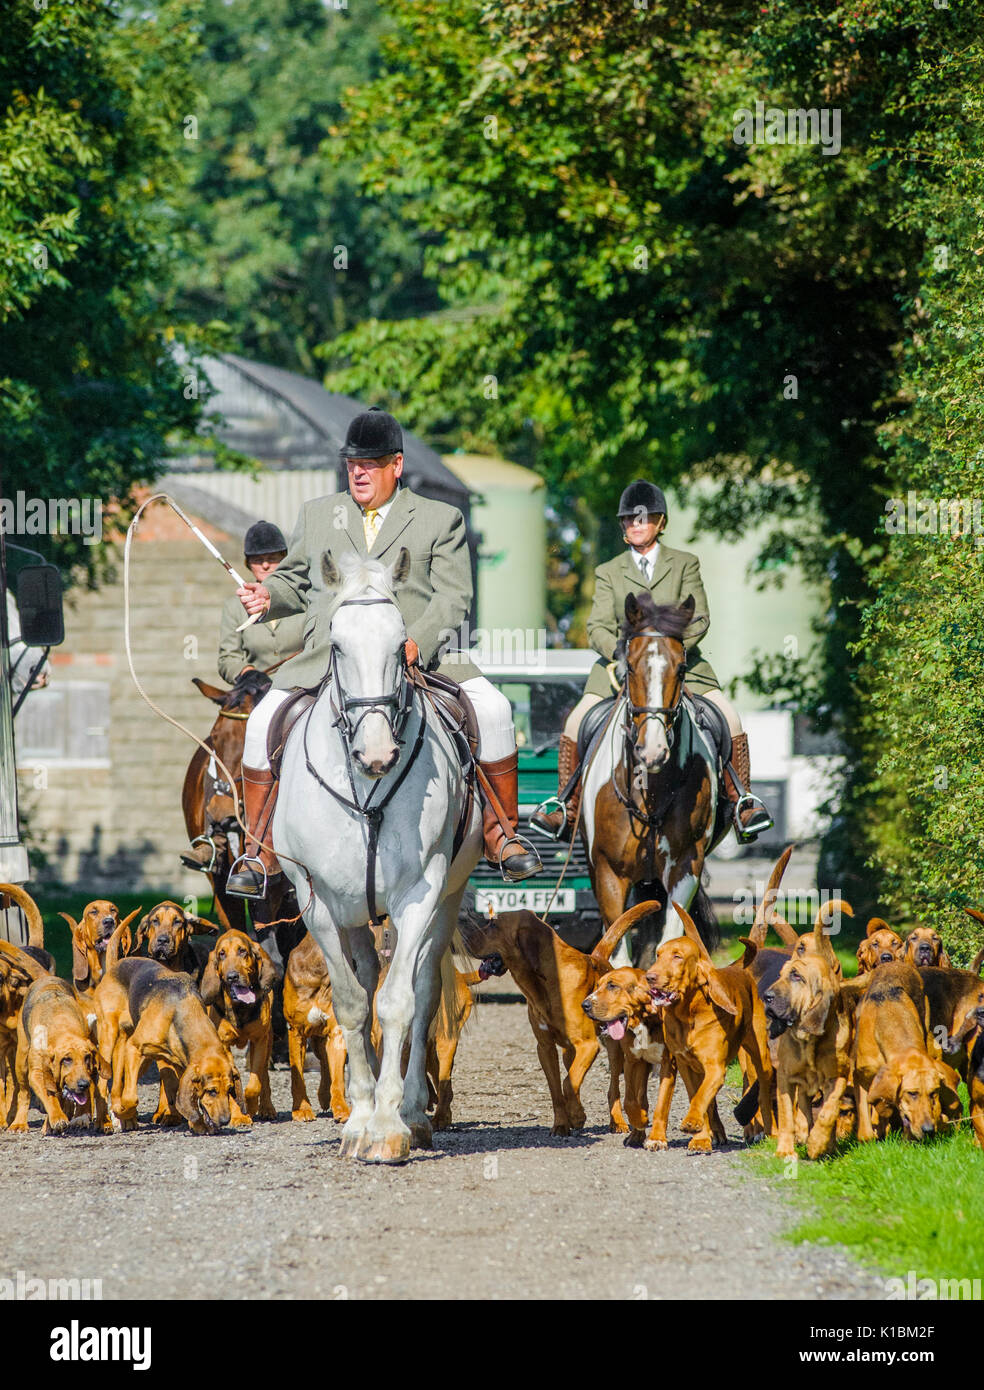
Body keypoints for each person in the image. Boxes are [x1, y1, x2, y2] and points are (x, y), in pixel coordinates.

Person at [225, 406, 543, 898]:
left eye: (370, 463)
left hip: (424, 654)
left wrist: (418, 640)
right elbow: (292, 578)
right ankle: (260, 848)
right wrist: (270, 597)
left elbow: (454, 596)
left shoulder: (441, 518)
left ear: (396, 465)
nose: (358, 471)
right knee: (262, 724)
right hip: (333, 657)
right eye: (352, 462)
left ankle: (502, 833)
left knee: (496, 710)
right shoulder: (317, 514)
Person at [532, 479, 773, 842]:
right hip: (620, 668)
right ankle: (565, 807)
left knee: (731, 717)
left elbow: (701, 617)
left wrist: (670, 650)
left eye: (642, 520)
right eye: (628, 521)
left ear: (660, 523)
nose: (634, 526)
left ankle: (742, 803)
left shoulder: (684, 564)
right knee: (576, 721)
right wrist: (620, 654)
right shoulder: (608, 571)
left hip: (681, 667)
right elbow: (596, 624)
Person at [181, 521, 307, 873]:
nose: (266, 566)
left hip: (299, 692)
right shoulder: (236, 606)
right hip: (253, 695)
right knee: (223, 742)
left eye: (273, 559)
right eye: (258, 561)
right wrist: (245, 672)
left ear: (285, 560)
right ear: (248, 564)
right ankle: (214, 839)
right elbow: (227, 658)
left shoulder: (304, 601)